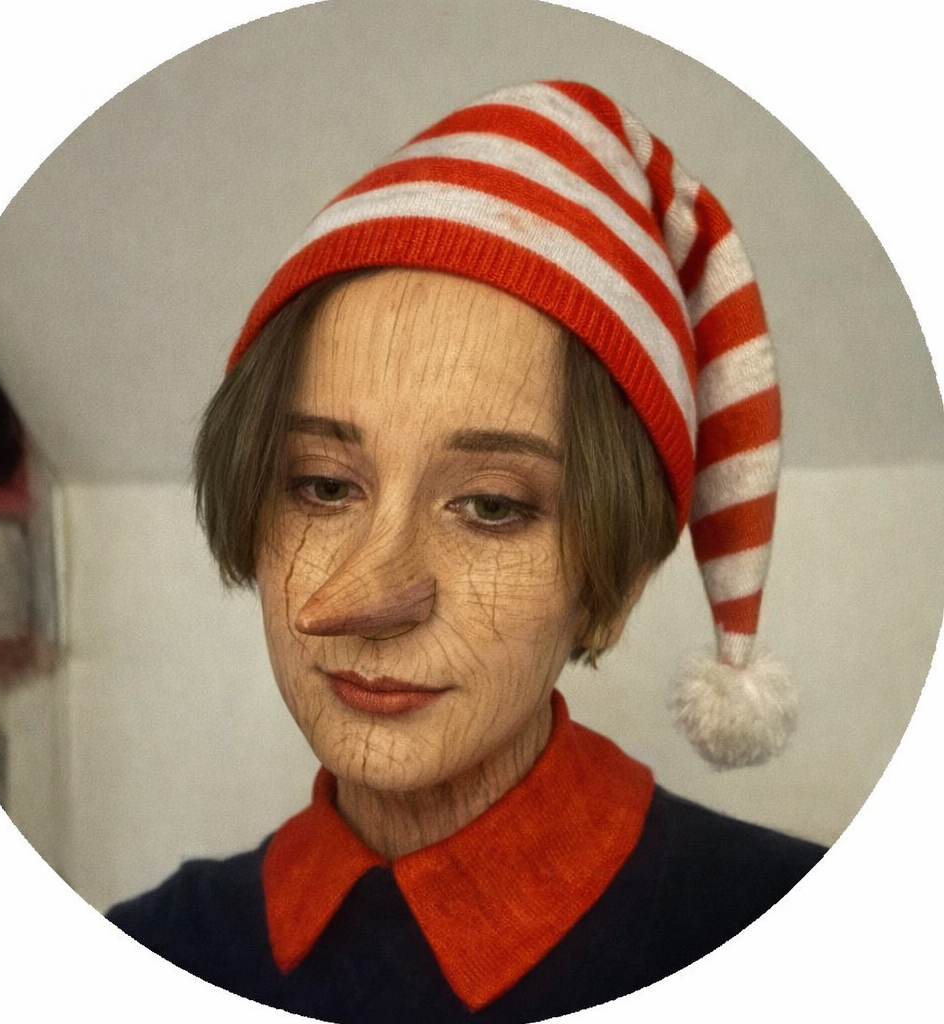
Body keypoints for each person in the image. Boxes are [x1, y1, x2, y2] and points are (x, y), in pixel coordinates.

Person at [107, 81, 825, 1022]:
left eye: (490, 505)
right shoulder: (152, 951)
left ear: (614, 587)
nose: (369, 595)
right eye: (322, 486)